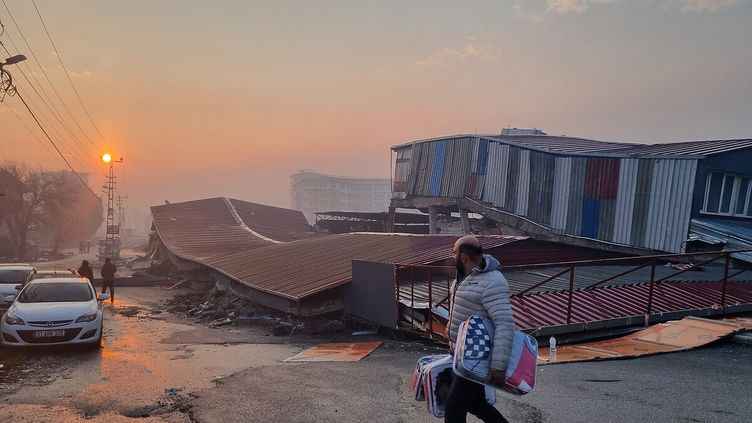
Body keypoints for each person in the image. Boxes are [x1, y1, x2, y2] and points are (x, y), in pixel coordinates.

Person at [445, 235, 515, 423]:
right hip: (462, 356)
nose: (452, 258)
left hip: (477, 357)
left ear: (464, 257)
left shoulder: (493, 282)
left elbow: (505, 324)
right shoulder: (462, 277)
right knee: (475, 404)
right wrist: (453, 346)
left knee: (453, 409)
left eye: (454, 254)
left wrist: (499, 367)